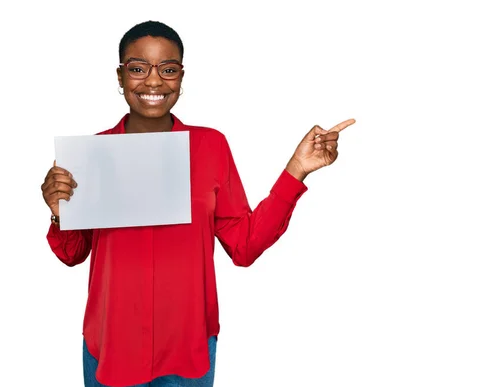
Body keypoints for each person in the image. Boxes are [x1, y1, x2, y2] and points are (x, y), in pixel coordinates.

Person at [41, 20, 355, 387]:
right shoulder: (90, 155)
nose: (154, 82)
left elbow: (244, 246)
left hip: (188, 349)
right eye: (138, 68)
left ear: (181, 77)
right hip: (112, 346)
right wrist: (59, 213)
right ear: (120, 75)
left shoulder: (210, 147)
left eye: (168, 69)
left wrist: (296, 170)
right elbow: (71, 254)